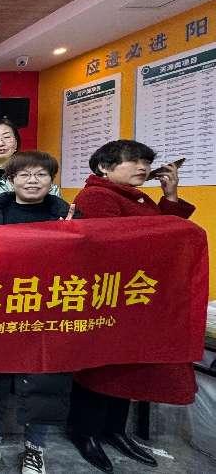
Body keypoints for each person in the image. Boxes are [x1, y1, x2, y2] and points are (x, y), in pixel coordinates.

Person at [66, 140, 195, 474]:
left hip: (134, 296)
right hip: (107, 297)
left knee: (125, 365)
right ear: (104, 167)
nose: (143, 167)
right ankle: (84, 432)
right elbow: (113, 248)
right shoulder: (97, 197)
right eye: (134, 161)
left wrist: (170, 196)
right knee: (98, 367)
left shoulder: (136, 197)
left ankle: (114, 430)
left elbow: (168, 238)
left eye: (146, 162)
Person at [0, 151, 74, 474]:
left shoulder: (67, 215)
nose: (32, 181)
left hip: (48, 311)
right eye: (24, 175)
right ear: (11, 179)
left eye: (40, 174)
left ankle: (35, 449)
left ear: (51, 180)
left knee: (44, 380)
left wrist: (73, 236)